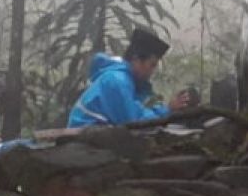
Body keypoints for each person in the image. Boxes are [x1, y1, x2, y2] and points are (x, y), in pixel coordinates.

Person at [68, 27, 197, 128]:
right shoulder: (117, 80)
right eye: (151, 65)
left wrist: (168, 108)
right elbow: (135, 122)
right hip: (83, 137)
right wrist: (167, 110)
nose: (153, 71)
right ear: (136, 59)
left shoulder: (130, 81)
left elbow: (142, 107)